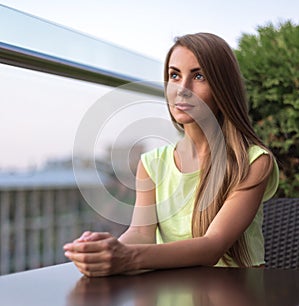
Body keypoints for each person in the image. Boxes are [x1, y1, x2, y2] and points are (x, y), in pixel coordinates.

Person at [63, 32, 279, 277]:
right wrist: (106, 249)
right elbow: (141, 233)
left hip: (238, 293)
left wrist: (126, 258)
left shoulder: (253, 161)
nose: (182, 89)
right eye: (174, 75)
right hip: (175, 291)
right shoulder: (153, 163)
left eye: (199, 76)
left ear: (223, 87)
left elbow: (212, 247)